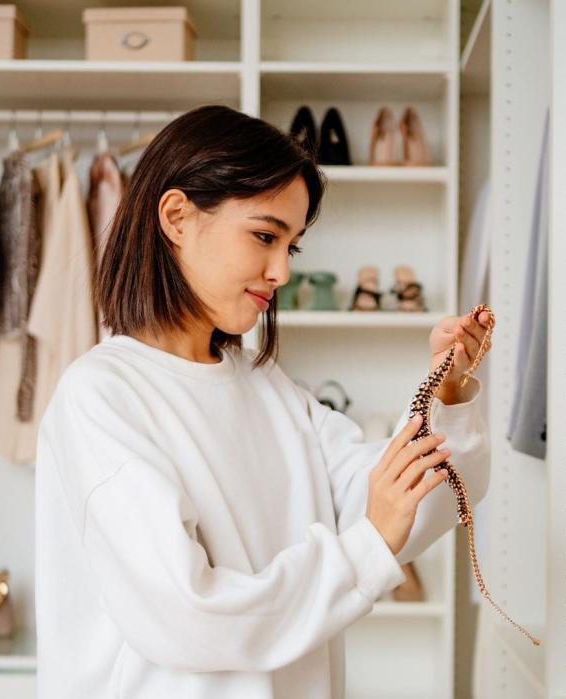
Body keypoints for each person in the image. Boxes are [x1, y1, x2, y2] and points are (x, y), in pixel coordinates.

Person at [35, 105, 493, 698]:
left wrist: (448, 388)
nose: (280, 271)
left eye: (292, 247)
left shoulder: (264, 385)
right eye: (264, 235)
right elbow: (188, 612)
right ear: (177, 216)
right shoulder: (102, 396)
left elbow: (400, 503)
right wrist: (363, 548)